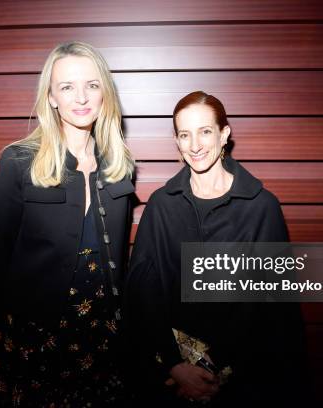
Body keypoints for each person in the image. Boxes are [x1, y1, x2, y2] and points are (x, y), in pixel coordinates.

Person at [124, 91, 308, 407]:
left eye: (205, 131)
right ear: (177, 142)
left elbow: (272, 306)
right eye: (185, 134)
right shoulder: (160, 206)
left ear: (224, 134)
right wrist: (175, 365)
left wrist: (211, 367)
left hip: (244, 378)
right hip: (170, 377)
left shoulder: (262, 207)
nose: (195, 145)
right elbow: (143, 295)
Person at [0, 41, 135, 407]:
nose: (81, 97)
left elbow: (119, 259)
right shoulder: (18, 161)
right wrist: (6, 326)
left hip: (102, 331)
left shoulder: (120, 165)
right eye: (67, 87)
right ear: (51, 97)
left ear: (105, 94)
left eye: (92, 85)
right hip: (38, 334)